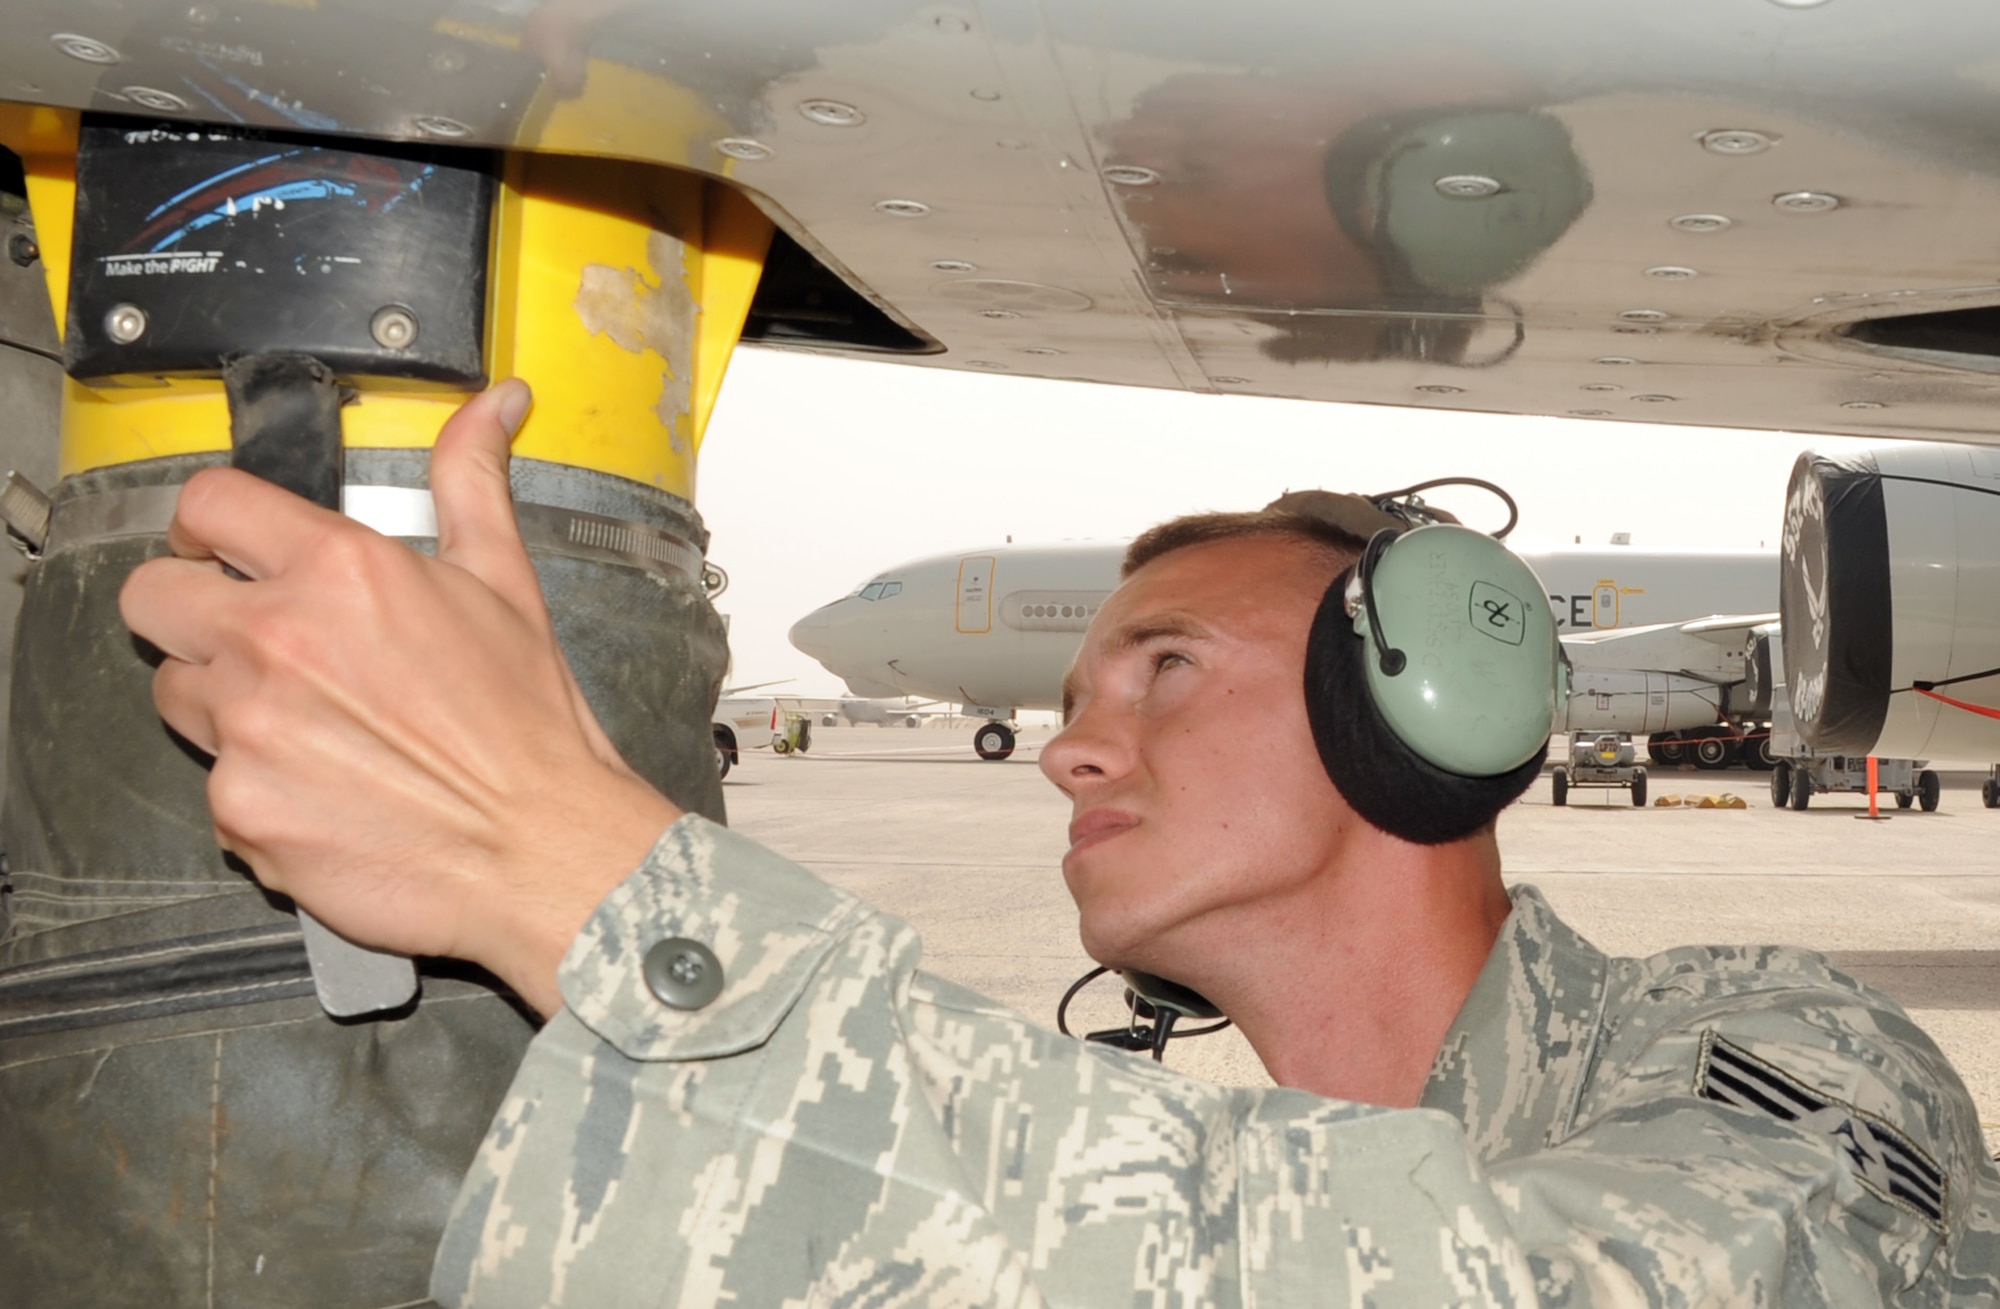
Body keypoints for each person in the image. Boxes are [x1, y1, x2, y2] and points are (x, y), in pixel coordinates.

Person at [119, 381, 2000, 1305]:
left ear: (1434, 700)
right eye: (1085, 690)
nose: (1077, 749)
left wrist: (574, 879)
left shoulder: (1788, 1053)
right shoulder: (1089, 1132)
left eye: (1169, 668)